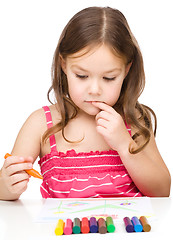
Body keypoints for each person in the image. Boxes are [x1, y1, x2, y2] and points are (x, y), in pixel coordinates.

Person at [0, 7, 171, 200]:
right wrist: (6, 187)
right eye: (82, 76)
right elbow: (5, 188)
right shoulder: (41, 123)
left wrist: (124, 145)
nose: (95, 89)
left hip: (126, 229)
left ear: (126, 70)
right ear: (64, 65)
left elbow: (162, 190)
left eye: (109, 78)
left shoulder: (134, 120)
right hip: (63, 230)